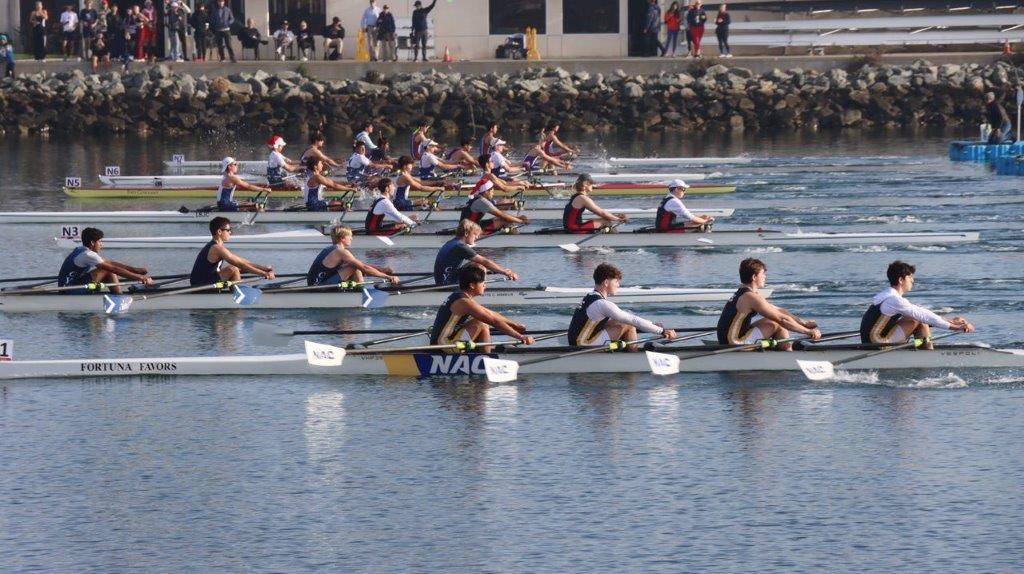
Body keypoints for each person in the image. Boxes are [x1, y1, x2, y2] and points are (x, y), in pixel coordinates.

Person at [861, 261, 974, 350]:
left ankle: (922, 345)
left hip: (873, 340)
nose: (913, 280)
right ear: (901, 280)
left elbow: (923, 312)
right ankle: (927, 353)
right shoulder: (894, 300)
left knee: (918, 319)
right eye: (910, 277)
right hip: (878, 343)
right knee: (918, 320)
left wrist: (951, 321)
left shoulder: (887, 295)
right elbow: (923, 315)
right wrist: (955, 328)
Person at [717, 258, 821, 351]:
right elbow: (782, 320)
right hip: (734, 343)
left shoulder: (745, 293)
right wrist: (808, 332)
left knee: (772, 320)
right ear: (754, 277)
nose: (765, 277)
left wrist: (803, 323)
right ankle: (788, 355)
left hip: (728, 338)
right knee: (777, 323)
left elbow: (779, 311)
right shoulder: (750, 297)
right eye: (763, 274)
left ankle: (783, 348)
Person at [568, 263, 677, 350]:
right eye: (616, 281)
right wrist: (661, 331)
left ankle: (627, 349)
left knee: (621, 322)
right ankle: (633, 358)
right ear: (606, 282)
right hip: (584, 344)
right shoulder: (602, 304)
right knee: (629, 325)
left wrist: (650, 325)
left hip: (577, 341)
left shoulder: (589, 297)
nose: (618, 285)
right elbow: (632, 319)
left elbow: (616, 321)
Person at [429, 264, 534, 353]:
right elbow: (494, 321)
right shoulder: (464, 302)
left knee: (481, 321)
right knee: (481, 323)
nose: (485, 286)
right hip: (443, 346)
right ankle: (485, 358)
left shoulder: (461, 296)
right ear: (472, 285)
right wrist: (520, 337)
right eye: (483, 283)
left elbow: (491, 314)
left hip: (447, 340)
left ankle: (484, 355)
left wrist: (514, 324)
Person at [58, 227, 153, 294]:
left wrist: (135, 270)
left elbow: (110, 263)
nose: (101, 244)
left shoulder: (82, 250)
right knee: (108, 270)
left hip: (74, 285)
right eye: (100, 241)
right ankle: (119, 297)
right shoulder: (87, 254)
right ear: (92, 242)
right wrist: (140, 278)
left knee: (108, 269)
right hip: (69, 290)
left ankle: (117, 295)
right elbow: (114, 269)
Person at [190, 217, 275, 286]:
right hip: (201, 284)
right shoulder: (216, 248)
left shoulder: (216, 246)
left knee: (236, 268)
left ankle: (235, 291)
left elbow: (241, 261)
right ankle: (238, 295)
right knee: (233, 269)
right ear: (219, 231)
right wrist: (264, 274)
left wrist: (263, 268)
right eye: (228, 230)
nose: (230, 232)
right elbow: (240, 264)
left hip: (206, 281)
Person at [307, 225, 399, 286]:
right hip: (317, 286)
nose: (352, 238)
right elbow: (364, 267)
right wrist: (388, 277)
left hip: (317, 282)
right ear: (342, 238)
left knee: (354, 266)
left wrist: (383, 270)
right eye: (350, 236)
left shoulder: (332, 249)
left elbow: (362, 265)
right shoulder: (341, 252)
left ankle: (359, 290)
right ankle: (361, 293)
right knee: (355, 267)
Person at [433, 220, 518, 285]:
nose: (477, 237)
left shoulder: (453, 242)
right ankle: (480, 290)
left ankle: (478, 287)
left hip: (445, 278)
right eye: (475, 234)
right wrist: (505, 272)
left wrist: (498, 271)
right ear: (466, 233)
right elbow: (485, 262)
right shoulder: (460, 247)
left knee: (475, 264)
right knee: (480, 266)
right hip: (447, 283)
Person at [461, 157, 529, 234]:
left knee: (503, 218)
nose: (493, 192)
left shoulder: (481, 195)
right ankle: (515, 242)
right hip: (468, 231)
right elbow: (504, 189)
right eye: (492, 190)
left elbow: (505, 184)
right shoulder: (482, 199)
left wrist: (517, 218)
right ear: (486, 191)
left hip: (471, 225)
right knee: (505, 218)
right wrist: (520, 221)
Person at [563, 174, 627, 233]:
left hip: (572, 227)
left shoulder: (577, 196)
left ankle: (608, 242)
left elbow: (602, 214)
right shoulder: (582, 198)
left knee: (604, 220)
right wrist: (618, 219)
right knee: (606, 222)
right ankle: (617, 241)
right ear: (585, 184)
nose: (592, 185)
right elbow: (602, 213)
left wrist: (614, 216)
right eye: (591, 183)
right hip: (574, 229)